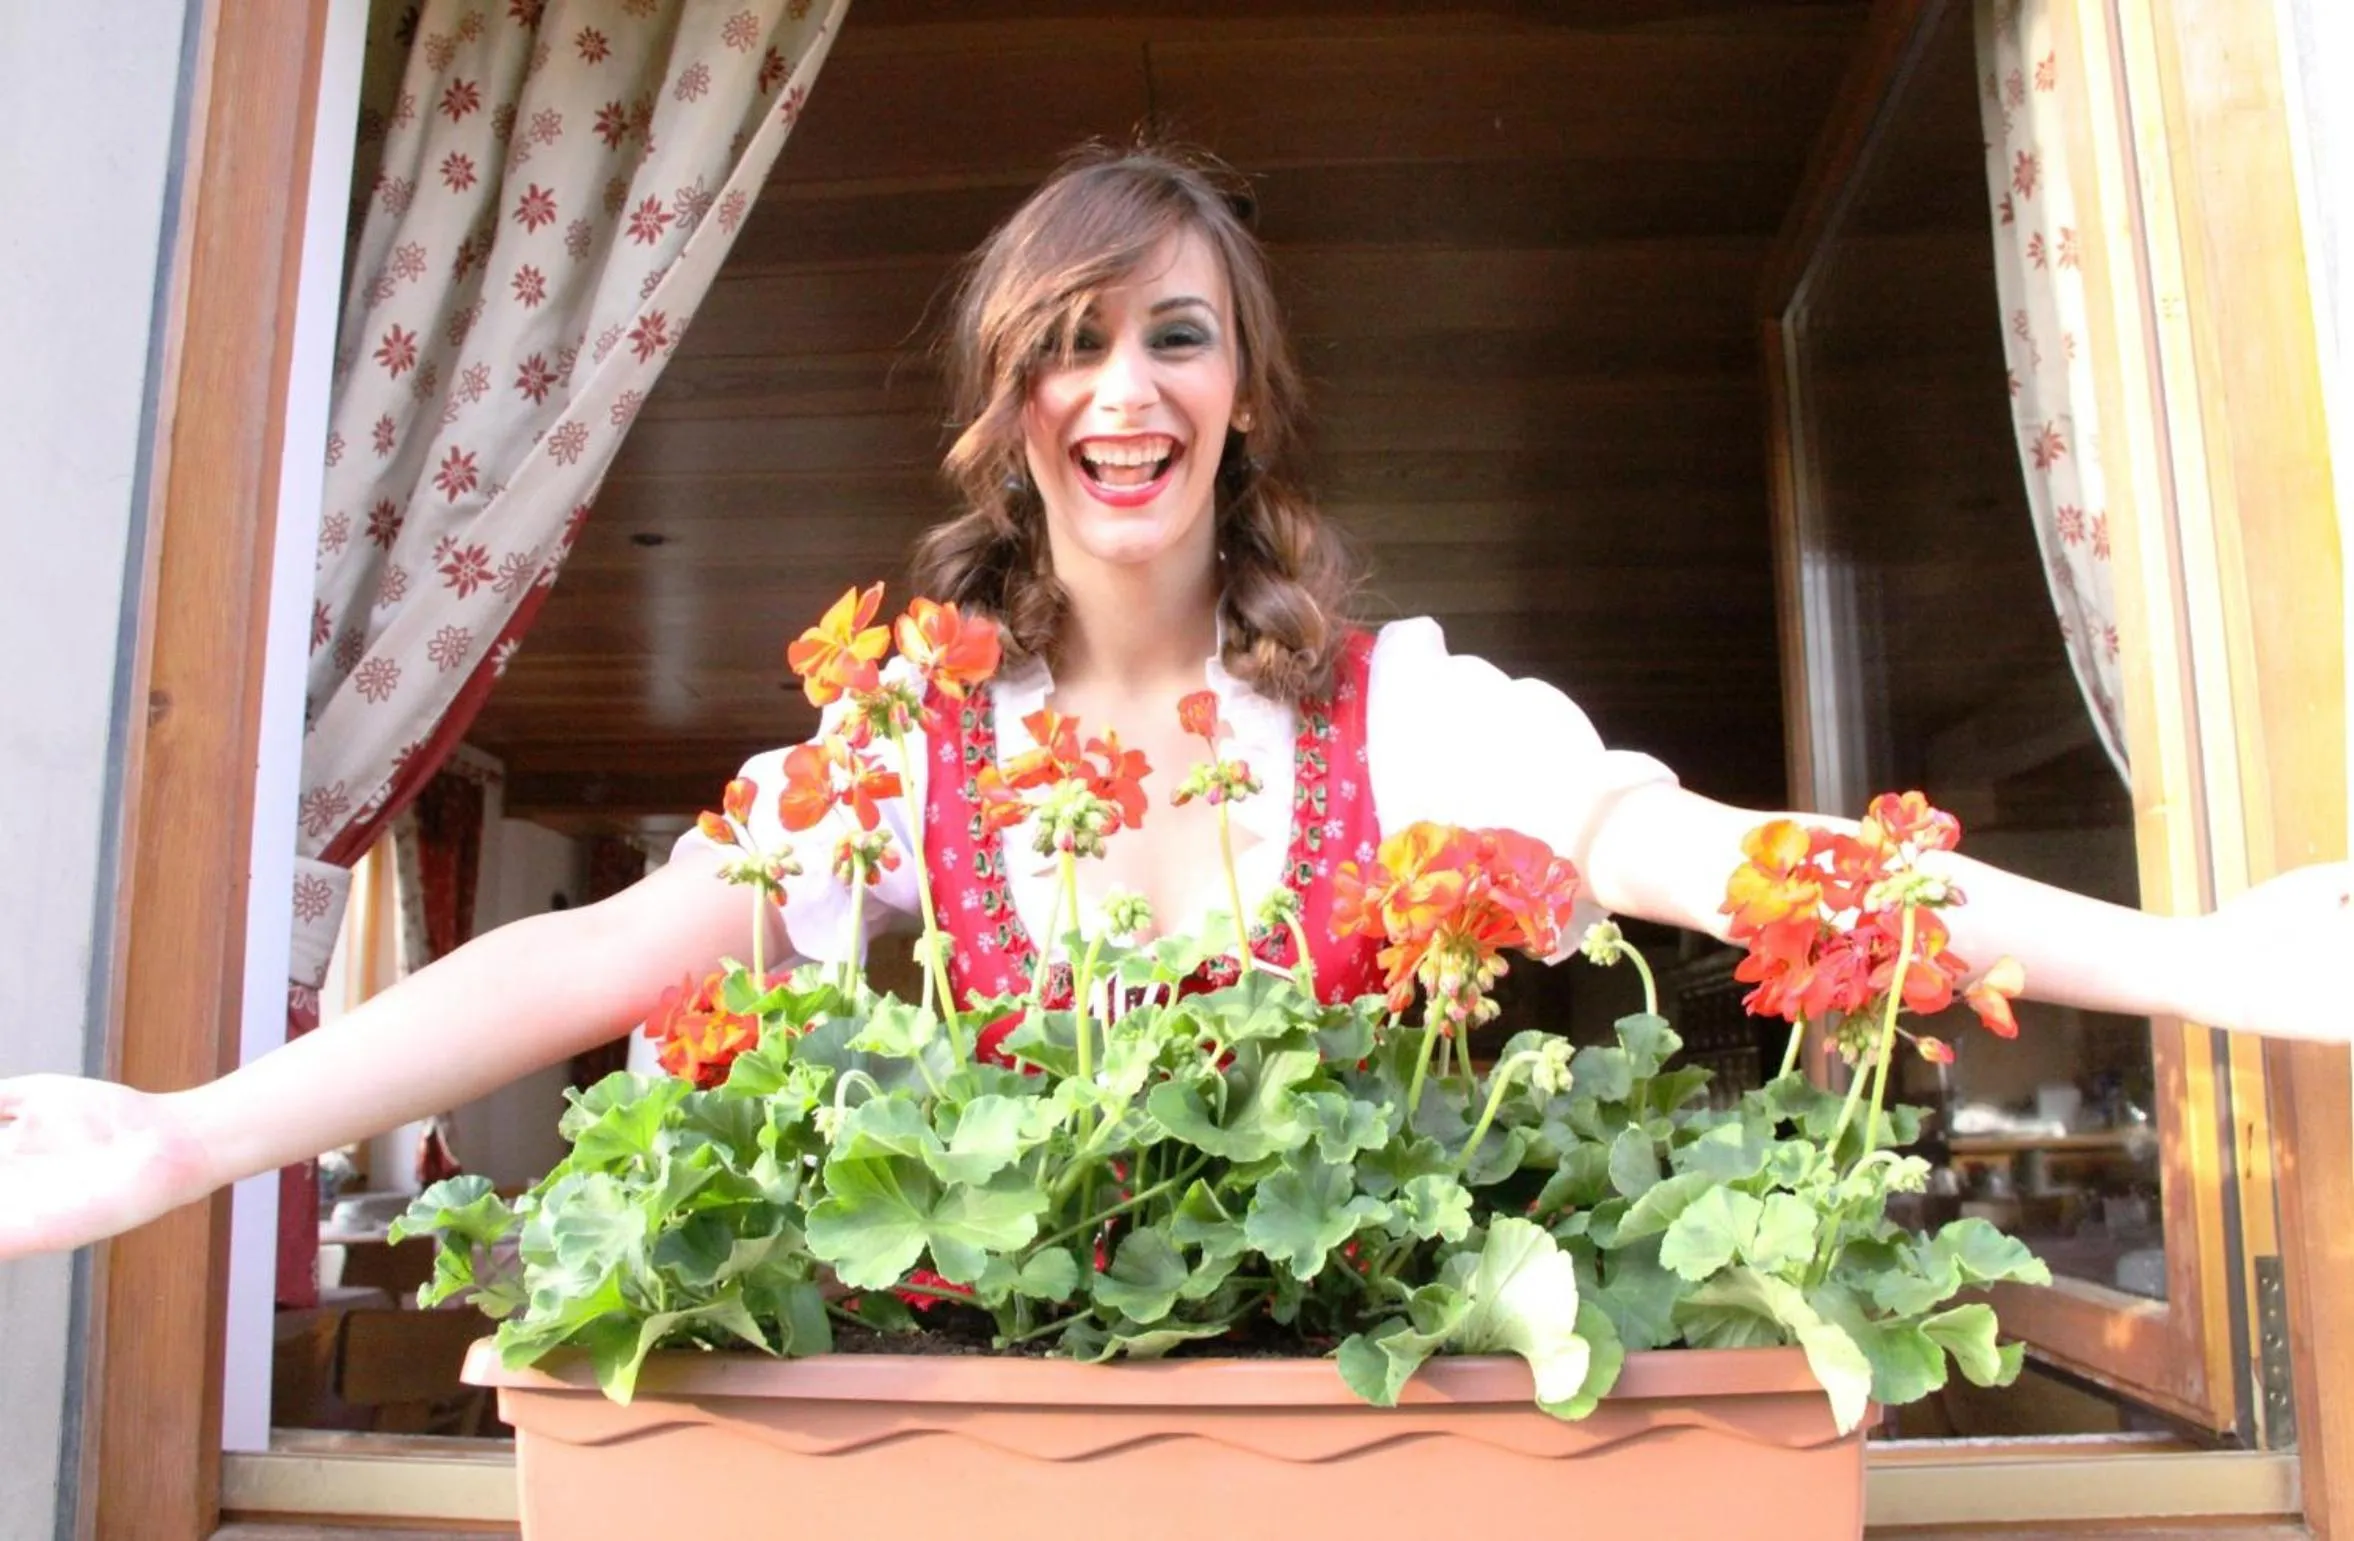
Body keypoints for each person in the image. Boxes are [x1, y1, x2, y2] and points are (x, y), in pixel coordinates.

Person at [0, 144, 2347, 1262]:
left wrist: (2208, 966)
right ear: (1005, 407)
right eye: (1068, 343)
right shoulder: (900, 746)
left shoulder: (1407, 725)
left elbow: (1752, 869)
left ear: (1243, 401)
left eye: (1174, 337)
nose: (1121, 390)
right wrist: (195, 1134)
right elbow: (570, 960)